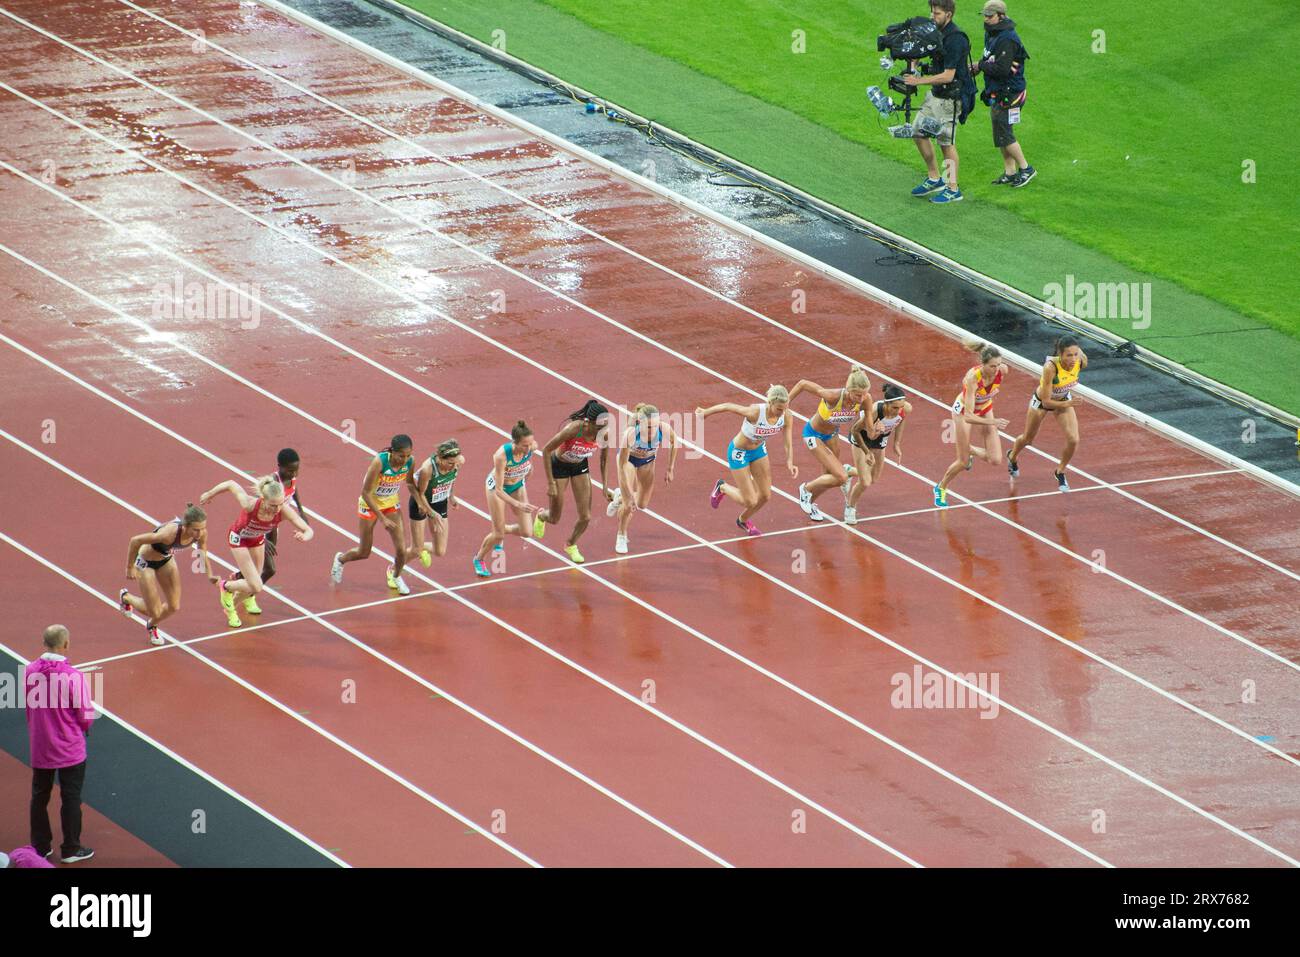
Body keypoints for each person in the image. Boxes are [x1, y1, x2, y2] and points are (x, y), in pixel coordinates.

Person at [202, 476, 313, 626]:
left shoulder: (283, 510)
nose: (277, 509)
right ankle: (226, 586)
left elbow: (307, 529)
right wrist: (210, 494)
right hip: (238, 538)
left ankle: (231, 608)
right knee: (256, 586)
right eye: (273, 505)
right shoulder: (249, 504)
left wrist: (305, 536)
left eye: (280, 504)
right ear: (263, 499)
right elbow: (231, 484)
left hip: (256, 539)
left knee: (254, 583)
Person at [26, 625, 96, 864]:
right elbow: (85, 714)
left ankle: (40, 845)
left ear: (43, 643)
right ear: (65, 644)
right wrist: (82, 730)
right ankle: (71, 848)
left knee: (39, 796)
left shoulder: (29, 671)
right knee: (71, 797)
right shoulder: (73, 676)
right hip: (70, 749)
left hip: (41, 746)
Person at [697, 385, 797, 536]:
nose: (782, 412)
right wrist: (706, 412)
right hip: (739, 452)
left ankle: (742, 520)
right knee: (750, 501)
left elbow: (788, 441)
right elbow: (728, 406)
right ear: (770, 403)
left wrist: (790, 461)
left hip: (758, 451)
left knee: (765, 496)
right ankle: (722, 487)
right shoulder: (756, 412)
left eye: (785, 408)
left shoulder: (787, 416)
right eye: (779, 409)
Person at [331, 436, 423, 595]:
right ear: (392, 452)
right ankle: (340, 559)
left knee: (401, 550)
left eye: (408, 455)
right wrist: (382, 518)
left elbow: (409, 483)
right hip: (369, 504)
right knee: (364, 552)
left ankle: (396, 576)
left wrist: (420, 501)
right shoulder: (379, 463)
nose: (405, 459)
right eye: (401, 455)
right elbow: (365, 493)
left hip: (390, 503)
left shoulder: (410, 462)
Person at [905, 0, 973, 204]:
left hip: (950, 99)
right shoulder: (935, 32)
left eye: (937, 13)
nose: (932, 16)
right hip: (935, 95)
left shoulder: (956, 39)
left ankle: (953, 188)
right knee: (918, 132)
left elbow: (948, 75)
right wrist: (913, 63)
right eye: (932, 12)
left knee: (945, 143)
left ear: (949, 15)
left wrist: (918, 81)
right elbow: (921, 50)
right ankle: (935, 177)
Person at [119, 504, 215, 645]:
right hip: (146, 563)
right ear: (185, 526)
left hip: (165, 560)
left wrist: (209, 574)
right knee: (155, 612)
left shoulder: (201, 533)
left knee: (174, 606)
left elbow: (202, 550)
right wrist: (129, 567)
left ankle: (151, 625)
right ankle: (126, 597)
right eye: (196, 530)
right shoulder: (169, 534)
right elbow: (135, 540)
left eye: (202, 528)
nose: (200, 533)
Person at [230, 448, 308, 615]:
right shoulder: (273, 483)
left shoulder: (291, 479)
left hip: (272, 528)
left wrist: (301, 512)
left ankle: (243, 581)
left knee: (263, 569)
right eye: (290, 470)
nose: (294, 473)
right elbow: (258, 511)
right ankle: (243, 592)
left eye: (296, 469)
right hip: (259, 530)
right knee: (270, 569)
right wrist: (262, 539)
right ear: (279, 466)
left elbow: (294, 493)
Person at [534, 400, 612, 565]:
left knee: (586, 516)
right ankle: (541, 515)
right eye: (599, 426)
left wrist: (605, 487)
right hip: (559, 466)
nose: (603, 430)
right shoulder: (574, 429)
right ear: (588, 422)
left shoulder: (604, 434)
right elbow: (546, 450)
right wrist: (551, 483)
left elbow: (604, 459)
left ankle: (571, 544)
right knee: (555, 518)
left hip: (579, 466)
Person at [789, 367, 872, 522]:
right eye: (858, 395)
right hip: (813, 435)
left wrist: (878, 426)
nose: (861, 399)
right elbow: (803, 384)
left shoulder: (865, 400)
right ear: (849, 390)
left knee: (827, 477)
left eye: (865, 394)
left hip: (831, 435)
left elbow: (870, 431)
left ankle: (810, 503)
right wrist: (787, 401)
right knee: (840, 477)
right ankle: (805, 489)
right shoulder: (833, 396)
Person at [934, 340, 1010, 507]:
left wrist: (989, 418)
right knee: (962, 461)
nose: (995, 369)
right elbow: (969, 416)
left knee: (996, 459)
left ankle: (969, 449)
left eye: (998, 365)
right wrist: (993, 422)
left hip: (985, 408)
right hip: (963, 412)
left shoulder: (1002, 371)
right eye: (992, 366)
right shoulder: (972, 379)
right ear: (982, 364)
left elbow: (992, 386)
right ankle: (941, 487)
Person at [1007, 336, 1088, 490]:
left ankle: (1060, 471)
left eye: (1075, 354)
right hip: (1042, 403)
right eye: (1068, 355)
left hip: (1063, 400)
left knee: (1073, 439)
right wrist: (1069, 403)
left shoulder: (1081, 361)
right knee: (1028, 439)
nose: (1073, 359)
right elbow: (1046, 402)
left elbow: (1078, 355)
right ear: (1060, 354)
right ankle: (1012, 456)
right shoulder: (1050, 368)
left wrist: (1066, 402)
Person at [974, 0, 1035, 187]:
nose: (986, 19)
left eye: (990, 16)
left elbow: (1001, 69)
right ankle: (1010, 171)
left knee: (1005, 134)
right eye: (984, 15)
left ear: (1001, 15)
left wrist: (980, 66)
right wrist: (980, 65)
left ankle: (1026, 169)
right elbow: (989, 58)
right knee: (1000, 133)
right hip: (998, 91)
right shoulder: (992, 33)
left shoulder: (1007, 38)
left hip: (1010, 94)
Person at [607, 403, 681, 554]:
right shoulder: (631, 434)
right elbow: (621, 465)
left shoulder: (663, 428)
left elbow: (675, 442)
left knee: (642, 504)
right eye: (648, 427)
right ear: (640, 423)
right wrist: (627, 489)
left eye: (654, 426)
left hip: (647, 463)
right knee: (629, 505)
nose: (652, 430)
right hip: (628, 462)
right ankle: (621, 535)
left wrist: (670, 468)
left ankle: (618, 497)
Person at [474, 421, 542, 578]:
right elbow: (498, 490)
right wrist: (518, 504)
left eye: (530, 444)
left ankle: (503, 530)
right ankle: (478, 558)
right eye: (525, 445)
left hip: (517, 485)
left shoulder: (532, 447)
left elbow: (529, 464)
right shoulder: (501, 456)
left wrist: (528, 472)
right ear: (515, 443)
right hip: (498, 489)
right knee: (497, 535)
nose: (528, 448)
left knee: (527, 532)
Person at [846, 384, 912, 523]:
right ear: (886, 403)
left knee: (874, 478)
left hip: (881, 439)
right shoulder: (875, 411)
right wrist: (866, 452)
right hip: (862, 438)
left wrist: (896, 444)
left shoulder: (905, 408)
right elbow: (855, 430)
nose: (898, 410)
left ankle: (848, 472)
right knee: (865, 482)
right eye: (894, 407)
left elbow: (901, 420)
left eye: (900, 407)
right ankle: (850, 508)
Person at [405, 440, 466, 568]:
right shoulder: (428, 469)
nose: (453, 466)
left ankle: (421, 547)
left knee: (440, 551)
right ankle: (394, 568)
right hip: (421, 504)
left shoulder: (458, 462)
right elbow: (420, 494)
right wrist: (432, 514)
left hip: (439, 502)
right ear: (439, 458)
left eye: (456, 463)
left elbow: (452, 478)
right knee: (416, 549)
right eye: (450, 463)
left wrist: (451, 496)